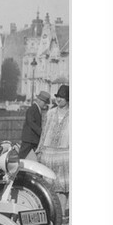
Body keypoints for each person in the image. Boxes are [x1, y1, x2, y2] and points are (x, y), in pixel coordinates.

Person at [37, 85, 70, 214]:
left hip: (65, 154)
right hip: (49, 152)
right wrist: (40, 148)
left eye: (62, 97)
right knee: (49, 184)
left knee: (63, 186)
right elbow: (44, 132)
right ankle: (51, 211)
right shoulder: (50, 113)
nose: (59, 100)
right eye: (58, 97)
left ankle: (61, 213)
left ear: (68, 99)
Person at [19, 91, 51, 159]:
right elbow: (31, 122)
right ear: (39, 100)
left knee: (30, 158)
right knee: (22, 157)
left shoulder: (36, 109)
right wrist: (41, 132)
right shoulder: (32, 109)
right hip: (29, 139)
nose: (45, 104)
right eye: (44, 102)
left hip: (32, 139)